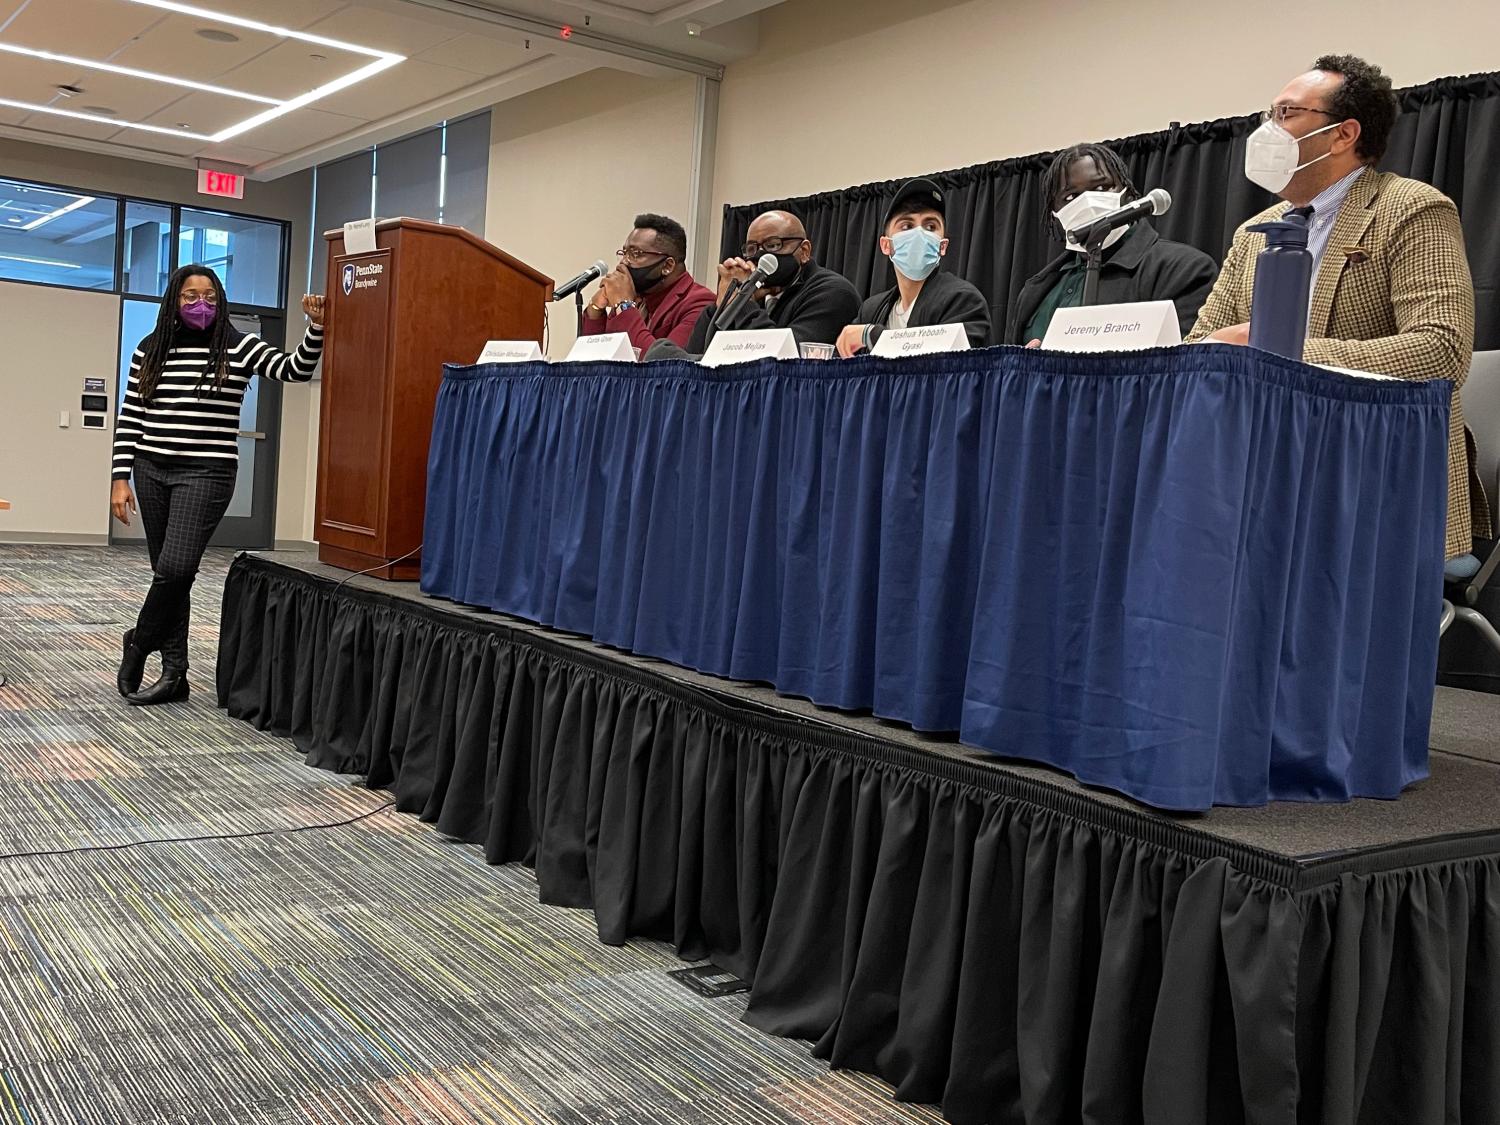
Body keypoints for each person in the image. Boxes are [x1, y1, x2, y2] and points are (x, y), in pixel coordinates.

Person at [1186, 54, 1489, 560]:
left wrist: (1283, 354)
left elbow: (1441, 352)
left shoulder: (1411, 208)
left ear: (1343, 134)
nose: (1268, 129)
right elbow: (1202, 345)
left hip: (1376, 476)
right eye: (1267, 115)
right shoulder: (1252, 234)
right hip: (1255, 472)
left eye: (1285, 114)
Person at [111, 264, 325, 705]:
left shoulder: (237, 346)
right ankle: (175, 674)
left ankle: (138, 643)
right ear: (174, 300)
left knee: (175, 569)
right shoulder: (149, 350)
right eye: (189, 295)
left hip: (206, 473)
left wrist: (316, 326)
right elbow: (131, 417)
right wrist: (119, 477)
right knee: (171, 578)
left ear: (221, 299)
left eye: (208, 295)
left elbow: (295, 370)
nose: (200, 303)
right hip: (151, 470)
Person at [1007, 143, 1218, 344]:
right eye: (1071, 196)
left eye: (1101, 187)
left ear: (1126, 192)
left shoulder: (1183, 269)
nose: (1088, 201)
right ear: (1054, 213)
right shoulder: (1037, 289)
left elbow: (1187, 365)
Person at [835, 178, 990, 357]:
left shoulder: (963, 301)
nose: (919, 233)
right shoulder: (871, 310)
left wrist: (872, 335)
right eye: (907, 225)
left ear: (943, 246)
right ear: (886, 246)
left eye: (930, 226)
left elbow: (942, 366)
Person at [682, 209, 860, 355]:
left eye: (774, 245)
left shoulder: (832, 292)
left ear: (804, 251)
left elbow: (779, 358)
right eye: (752, 248)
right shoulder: (756, 289)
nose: (760, 255)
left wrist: (742, 303)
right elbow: (695, 354)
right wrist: (722, 304)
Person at [581, 213, 715, 353]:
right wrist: (596, 309)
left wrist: (624, 305)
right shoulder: (637, 296)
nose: (624, 261)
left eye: (635, 254)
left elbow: (664, 365)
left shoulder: (700, 303)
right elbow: (595, 358)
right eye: (624, 253)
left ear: (667, 266)